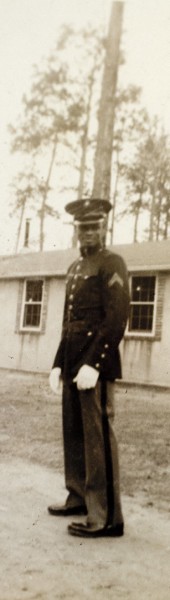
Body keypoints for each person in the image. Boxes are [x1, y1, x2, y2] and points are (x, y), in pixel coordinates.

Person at [48, 198, 130, 538]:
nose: (88, 232)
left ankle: (107, 517)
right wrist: (57, 365)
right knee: (74, 434)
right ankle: (79, 498)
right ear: (76, 231)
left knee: (98, 440)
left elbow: (116, 318)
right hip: (71, 364)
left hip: (94, 365)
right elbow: (70, 323)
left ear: (104, 227)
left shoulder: (113, 263)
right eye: (83, 227)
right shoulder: (74, 268)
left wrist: (94, 365)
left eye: (94, 226)